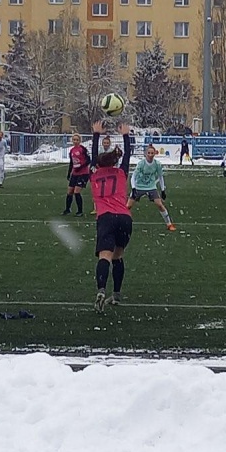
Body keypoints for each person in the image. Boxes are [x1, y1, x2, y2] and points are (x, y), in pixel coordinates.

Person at [89, 121, 133, 311]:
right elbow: (128, 156)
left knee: (104, 258)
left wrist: (96, 134)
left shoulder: (94, 174)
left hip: (106, 217)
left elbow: (92, 158)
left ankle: (101, 290)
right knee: (118, 257)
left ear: (98, 164)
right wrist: (125, 135)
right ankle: (116, 295)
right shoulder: (121, 173)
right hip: (124, 217)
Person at [128, 144, 177, 231]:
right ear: (145, 154)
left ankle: (169, 224)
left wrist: (163, 190)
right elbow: (133, 176)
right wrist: (134, 188)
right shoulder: (141, 164)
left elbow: (160, 177)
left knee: (160, 204)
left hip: (151, 187)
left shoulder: (157, 164)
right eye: (149, 153)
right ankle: (119, 222)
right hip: (139, 186)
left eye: (152, 153)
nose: (150, 155)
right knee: (128, 206)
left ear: (154, 154)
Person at [62, 133, 91, 217]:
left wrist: (81, 167)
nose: (75, 141)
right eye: (74, 140)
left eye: (77, 140)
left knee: (76, 191)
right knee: (69, 191)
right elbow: (72, 163)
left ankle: (80, 211)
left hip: (83, 173)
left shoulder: (83, 149)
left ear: (80, 141)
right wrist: (69, 173)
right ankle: (67, 209)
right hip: (75, 174)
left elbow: (88, 160)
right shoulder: (71, 150)